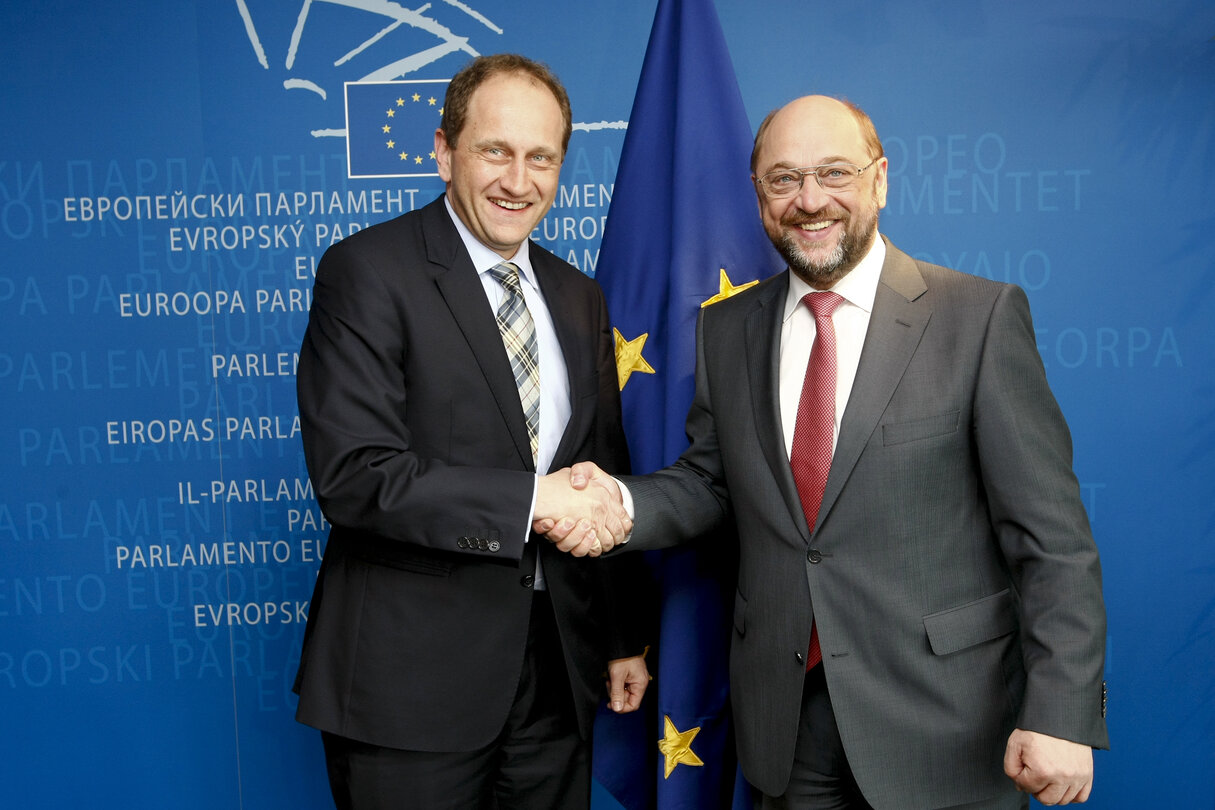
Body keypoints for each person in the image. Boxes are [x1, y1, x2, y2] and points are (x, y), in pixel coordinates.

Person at [542, 95, 1108, 809]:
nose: (809, 200)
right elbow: (712, 484)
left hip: (945, 724)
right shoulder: (725, 330)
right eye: (783, 180)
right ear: (757, 196)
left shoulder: (978, 318)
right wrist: (615, 504)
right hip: (785, 723)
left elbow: (1051, 540)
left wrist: (1060, 712)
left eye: (832, 173)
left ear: (879, 180)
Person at [293, 53, 649, 810]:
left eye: (540, 158)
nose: (518, 181)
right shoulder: (365, 271)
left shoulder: (577, 296)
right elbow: (356, 474)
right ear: (442, 150)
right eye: (495, 150)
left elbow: (598, 467)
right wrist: (533, 503)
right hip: (410, 688)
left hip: (557, 675)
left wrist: (619, 631)